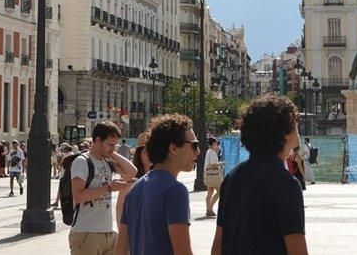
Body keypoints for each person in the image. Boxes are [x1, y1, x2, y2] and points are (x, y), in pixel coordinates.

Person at [210, 95, 307, 255]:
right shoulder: (286, 184)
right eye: (295, 124)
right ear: (284, 133)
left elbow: (218, 246)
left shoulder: (232, 177)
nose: (298, 130)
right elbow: (297, 250)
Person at [116, 114, 195, 255]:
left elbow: (120, 250)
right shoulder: (175, 190)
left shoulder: (134, 189)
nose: (198, 151)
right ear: (174, 148)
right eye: (194, 145)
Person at [68, 121, 137, 255]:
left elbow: (131, 171)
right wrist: (110, 188)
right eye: (110, 144)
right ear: (98, 140)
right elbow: (78, 196)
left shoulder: (107, 162)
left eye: (115, 145)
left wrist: (111, 153)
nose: (113, 148)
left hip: (106, 232)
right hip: (86, 232)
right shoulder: (82, 162)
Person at [201, 139, 222, 217]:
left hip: (208, 174)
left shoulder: (208, 152)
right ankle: (210, 208)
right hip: (213, 175)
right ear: (213, 144)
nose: (216, 145)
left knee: (210, 192)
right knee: (220, 191)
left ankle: (208, 209)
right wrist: (221, 163)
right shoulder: (212, 152)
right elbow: (213, 164)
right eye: (216, 143)